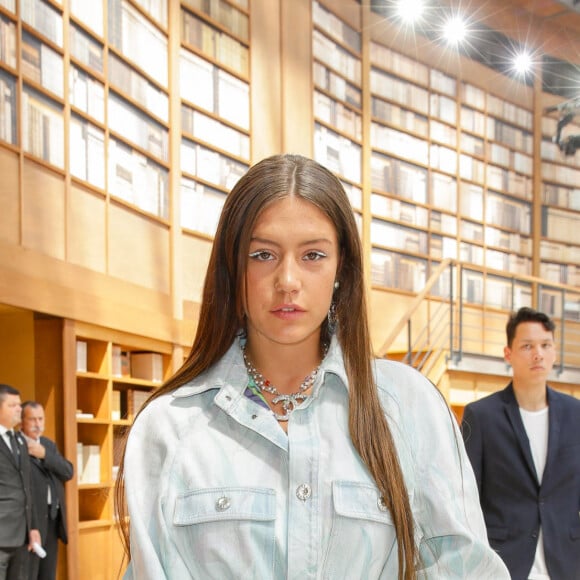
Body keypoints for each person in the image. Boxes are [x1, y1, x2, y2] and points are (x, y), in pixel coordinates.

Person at [116, 153, 509, 579]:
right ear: (233, 268)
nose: (288, 280)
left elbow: (466, 569)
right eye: (263, 255)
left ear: (342, 268)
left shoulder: (409, 408)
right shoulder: (169, 429)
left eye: (313, 255)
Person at [461, 307, 580, 580]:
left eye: (545, 345)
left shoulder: (576, 414)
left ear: (554, 352)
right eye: (527, 346)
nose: (538, 353)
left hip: (566, 564)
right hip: (503, 566)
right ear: (508, 354)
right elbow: (465, 499)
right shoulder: (480, 416)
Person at [19, 402, 73, 580]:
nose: (37, 423)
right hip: (29, 522)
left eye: (40, 419)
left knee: (48, 575)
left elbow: (68, 471)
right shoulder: (15, 446)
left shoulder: (48, 445)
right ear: (21, 422)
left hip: (52, 520)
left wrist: (44, 455)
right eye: (32, 419)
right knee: (29, 574)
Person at [0, 385, 41, 580]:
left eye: (19, 404)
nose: (19, 409)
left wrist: (32, 527)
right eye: (13, 405)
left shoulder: (19, 440)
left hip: (21, 536)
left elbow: (27, 487)